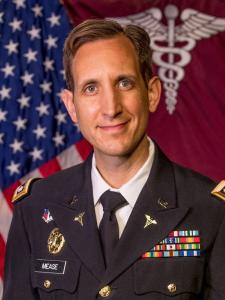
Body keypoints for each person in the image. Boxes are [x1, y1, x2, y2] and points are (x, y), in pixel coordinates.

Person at [3, 19, 225, 300]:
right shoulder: (35, 208)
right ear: (72, 106)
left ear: (152, 93)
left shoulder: (210, 211)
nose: (111, 108)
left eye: (124, 82)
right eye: (91, 88)